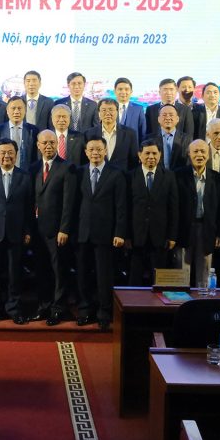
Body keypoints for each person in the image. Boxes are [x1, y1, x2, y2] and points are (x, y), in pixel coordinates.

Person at [0, 139, 33, 324]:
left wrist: (28, 231)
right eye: (2, 152)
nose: (6, 156)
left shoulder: (25, 176)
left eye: (10, 152)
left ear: (16, 154)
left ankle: (14, 309)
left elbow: (29, 207)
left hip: (16, 233)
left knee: (14, 274)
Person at [76, 137, 127, 330]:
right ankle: (84, 311)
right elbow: (73, 203)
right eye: (91, 149)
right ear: (86, 152)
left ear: (105, 151)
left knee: (104, 276)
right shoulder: (79, 172)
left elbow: (121, 206)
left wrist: (120, 232)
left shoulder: (117, 174)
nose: (95, 153)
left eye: (99, 149)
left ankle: (104, 313)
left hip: (106, 234)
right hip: (82, 233)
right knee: (82, 275)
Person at [31, 130, 77, 325]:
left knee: (59, 271)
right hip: (37, 230)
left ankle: (58, 309)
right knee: (41, 270)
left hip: (57, 230)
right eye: (45, 143)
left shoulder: (67, 167)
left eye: (52, 142)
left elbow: (69, 202)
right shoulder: (33, 168)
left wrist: (64, 229)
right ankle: (44, 306)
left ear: (58, 144)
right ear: (38, 145)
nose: (48, 146)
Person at [127, 139, 179, 286]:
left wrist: (172, 236)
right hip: (136, 237)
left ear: (160, 155)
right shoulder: (130, 176)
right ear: (139, 155)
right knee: (134, 279)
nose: (151, 156)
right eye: (147, 153)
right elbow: (126, 207)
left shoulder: (169, 176)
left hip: (160, 237)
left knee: (159, 281)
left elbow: (173, 208)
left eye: (154, 153)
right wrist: (126, 236)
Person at [176, 139, 220, 289]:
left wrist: (219, 233)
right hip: (184, 229)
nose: (199, 155)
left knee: (204, 272)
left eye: (203, 151)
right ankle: (182, 301)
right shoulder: (178, 176)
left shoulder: (217, 178)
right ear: (189, 154)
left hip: (207, 229)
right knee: (182, 270)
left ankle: (203, 300)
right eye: (195, 151)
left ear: (208, 155)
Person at [85, 98, 139, 172]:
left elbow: (134, 161)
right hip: (98, 176)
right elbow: (86, 160)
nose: (107, 113)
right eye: (104, 110)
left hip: (122, 176)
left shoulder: (130, 133)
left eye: (111, 110)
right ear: (99, 113)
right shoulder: (89, 134)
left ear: (117, 112)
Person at [0, 96, 37, 168]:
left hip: (27, 173)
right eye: (13, 108)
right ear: (7, 111)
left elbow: (35, 157)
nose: (16, 112)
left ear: (25, 110)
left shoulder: (33, 130)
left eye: (19, 108)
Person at [146, 78, 195, 142]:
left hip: (179, 146)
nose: (168, 92)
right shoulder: (150, 110)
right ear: (159, 92)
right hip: (156, 146)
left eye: (171, 89)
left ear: (176, 91)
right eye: (165, 89)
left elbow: (189, 134)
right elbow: (148, 133)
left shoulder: (185, 110)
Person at [154, 104, 190, 170]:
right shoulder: (150, 139)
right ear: (158, 119)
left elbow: (188, 163)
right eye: (164, 115)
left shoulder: (187, 140)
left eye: (171, 115)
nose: (168, 118)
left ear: (177, 119)